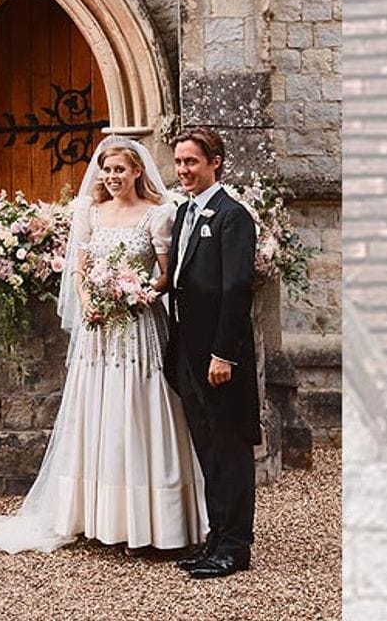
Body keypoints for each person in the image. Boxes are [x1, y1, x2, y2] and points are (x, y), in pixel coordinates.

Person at [0, 136, 207, 554]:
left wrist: (137, 293)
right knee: (100, 411)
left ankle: (154, 520)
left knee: (141, 410)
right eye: (107, 170)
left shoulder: (158, 215)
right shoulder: (90, 211)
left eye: (120, 170)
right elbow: (79, 271)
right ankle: (96, 514)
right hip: (99, 332)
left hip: (138, 328)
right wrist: (91, 302)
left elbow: (166, 275)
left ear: (137, 171)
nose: (112, 177)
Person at [164, 126, 261, 579]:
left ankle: (235, 547)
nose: (183, 170)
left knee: (230, 448)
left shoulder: (232, 216)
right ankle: (215, 538)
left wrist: (224, 354)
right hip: (188, 351)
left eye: (192, 162)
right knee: (207, 448)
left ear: (215, 162)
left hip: (220, 359)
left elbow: (237, 289)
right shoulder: (184, 214)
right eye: (179, 162)